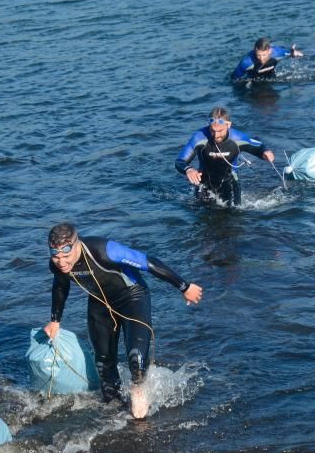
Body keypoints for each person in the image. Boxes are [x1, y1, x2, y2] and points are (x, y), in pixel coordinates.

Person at [43, 223, 203, 420]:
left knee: (136, 359)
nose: (61, 262)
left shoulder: (103, 250)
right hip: (100, 303)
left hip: (132, 298)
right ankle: (114, 413)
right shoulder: (57, 265)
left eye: (66, 256)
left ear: (77, 244)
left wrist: (184, 286)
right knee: (103, 363)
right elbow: (60, 286)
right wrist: (55, 320)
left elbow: (148, 262)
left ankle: (138, 393)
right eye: (56, 256)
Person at [175, 107, 275, 207]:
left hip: (230, 185)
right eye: (212, 131)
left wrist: (265, 152)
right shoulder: (200, 137)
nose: (215, 135)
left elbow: (259, 146)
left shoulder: (238, 138)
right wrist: (188, 169)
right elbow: (180, 161)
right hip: (204, 185)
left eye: (220, 131)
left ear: (229, 125)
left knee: (233, 216)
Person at [231, 37, 303, 81]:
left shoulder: (277, 53)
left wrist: (294, 54)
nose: (261, 59)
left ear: (270, 51)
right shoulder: (246, 62)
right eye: (258, 55)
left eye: (264, 55)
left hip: (271, 77)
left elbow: (291, 52)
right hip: (253, 80)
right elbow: (234, 79)